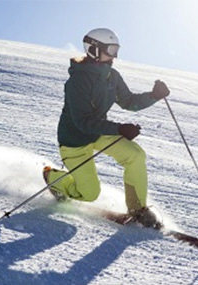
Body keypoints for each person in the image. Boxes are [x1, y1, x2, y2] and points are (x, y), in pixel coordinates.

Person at [43, 28, 170, 228]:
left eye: (116, 50)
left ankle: (138, 209)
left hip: (97, 133)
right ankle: (53, 177)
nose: (114, 56)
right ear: (93, 49)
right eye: (110, 50)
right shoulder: (78, 81)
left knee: (135, 155)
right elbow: (83, 122)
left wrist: (154, 95)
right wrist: (120, 129)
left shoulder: (112, 76)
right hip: (74, 139)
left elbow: (128, 101)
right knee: (89, 194)